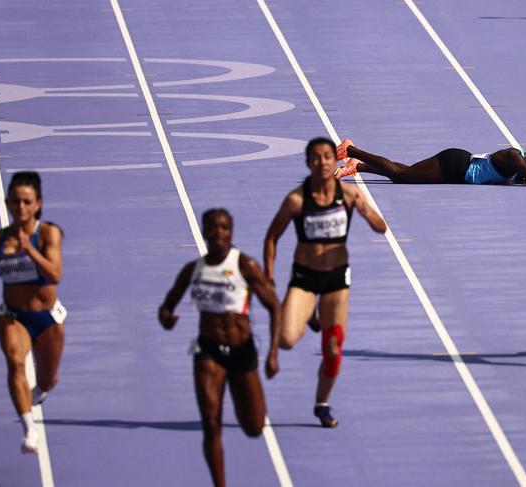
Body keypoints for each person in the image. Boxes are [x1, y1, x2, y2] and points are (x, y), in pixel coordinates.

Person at [264, 137, 386, 428]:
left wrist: (368, 211)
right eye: (315, 158)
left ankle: (322, 403)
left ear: (335, 161)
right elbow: (272, 237)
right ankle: (308, 313)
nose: (321, 163)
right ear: (309, 163)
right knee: (286, 340)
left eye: (327, 157)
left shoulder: (348, 195)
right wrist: (269, 275)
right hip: (305, 278)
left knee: (332, 349)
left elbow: (380, 227)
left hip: (336, 279)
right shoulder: (296, 199)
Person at [158, 208, 281, 487]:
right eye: (213, 228)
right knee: (211, 424)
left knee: (254, 426)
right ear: (204, 232)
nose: (219, 233)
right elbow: (166, 307)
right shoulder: (194, 270)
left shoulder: (245, 266)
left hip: (242, 351)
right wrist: (167, 319)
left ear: (232, 232)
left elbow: (274, 306)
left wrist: (272, 353)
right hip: (208, 351)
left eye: (224, 227)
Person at [0, 171, 66, 454]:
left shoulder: (49, 234)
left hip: (48, 318)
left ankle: (41, 390)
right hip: (12, 316)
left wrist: (29, 251)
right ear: (8, 203)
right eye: (15, 202)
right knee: (15, 363)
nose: (20, 207)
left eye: (26, 202)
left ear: (38, 203)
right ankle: (29, 430)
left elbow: (55, 274)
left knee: (48, 378)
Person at [334, 138, 526, 186]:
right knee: (401, 176)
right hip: (454, 164)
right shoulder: (515, 157)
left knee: (405, 172)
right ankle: (351, 149)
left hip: (457, 173)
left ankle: (357, 166)